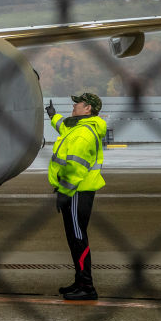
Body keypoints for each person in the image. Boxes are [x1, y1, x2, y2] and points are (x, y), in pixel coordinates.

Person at [47, 92, 107, 301]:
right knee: (75, 238)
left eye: (77, 104)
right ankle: (80, 281)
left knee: (78, 238)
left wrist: (64, 191)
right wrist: (52, 116)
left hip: (76, 192)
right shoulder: (79, 127)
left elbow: (75, 168)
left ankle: (87, 286)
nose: (73, 106)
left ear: (88, 108)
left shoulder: (84, 134)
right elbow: (63, 125)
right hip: (76, 192)